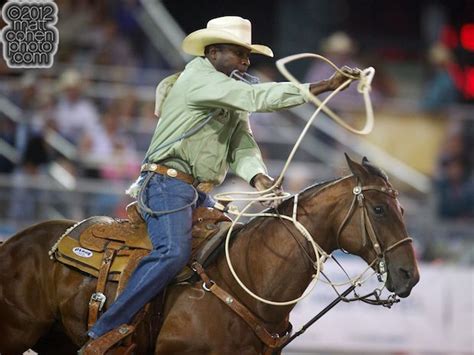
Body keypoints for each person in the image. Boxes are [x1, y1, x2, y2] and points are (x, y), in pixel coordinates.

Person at [81, 15, 358, 349]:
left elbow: (241, 143)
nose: (244, 61)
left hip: (195, 192)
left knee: (229, 253)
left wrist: (258, 177)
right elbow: (258, 98)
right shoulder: (199, 80)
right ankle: (107, 328)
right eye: (237, 53)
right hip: (166, 184)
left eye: (247, 55)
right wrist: (322, 87)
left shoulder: (228, 93)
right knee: (173, 252)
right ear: (212, 53)